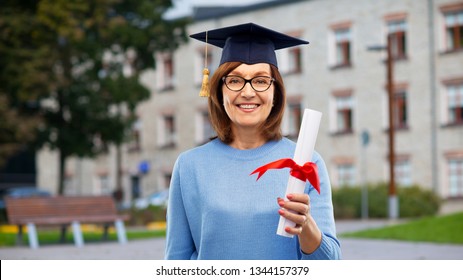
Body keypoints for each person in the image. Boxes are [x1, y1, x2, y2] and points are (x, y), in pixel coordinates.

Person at [165, 23, 341, 260]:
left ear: (275, 92)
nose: (248, 92)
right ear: (219, 91)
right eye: (235, 80)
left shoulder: (306, 162)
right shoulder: (189, 166)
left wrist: (306, 225)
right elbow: (176, 259)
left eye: (260, 81)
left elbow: (331, 263)